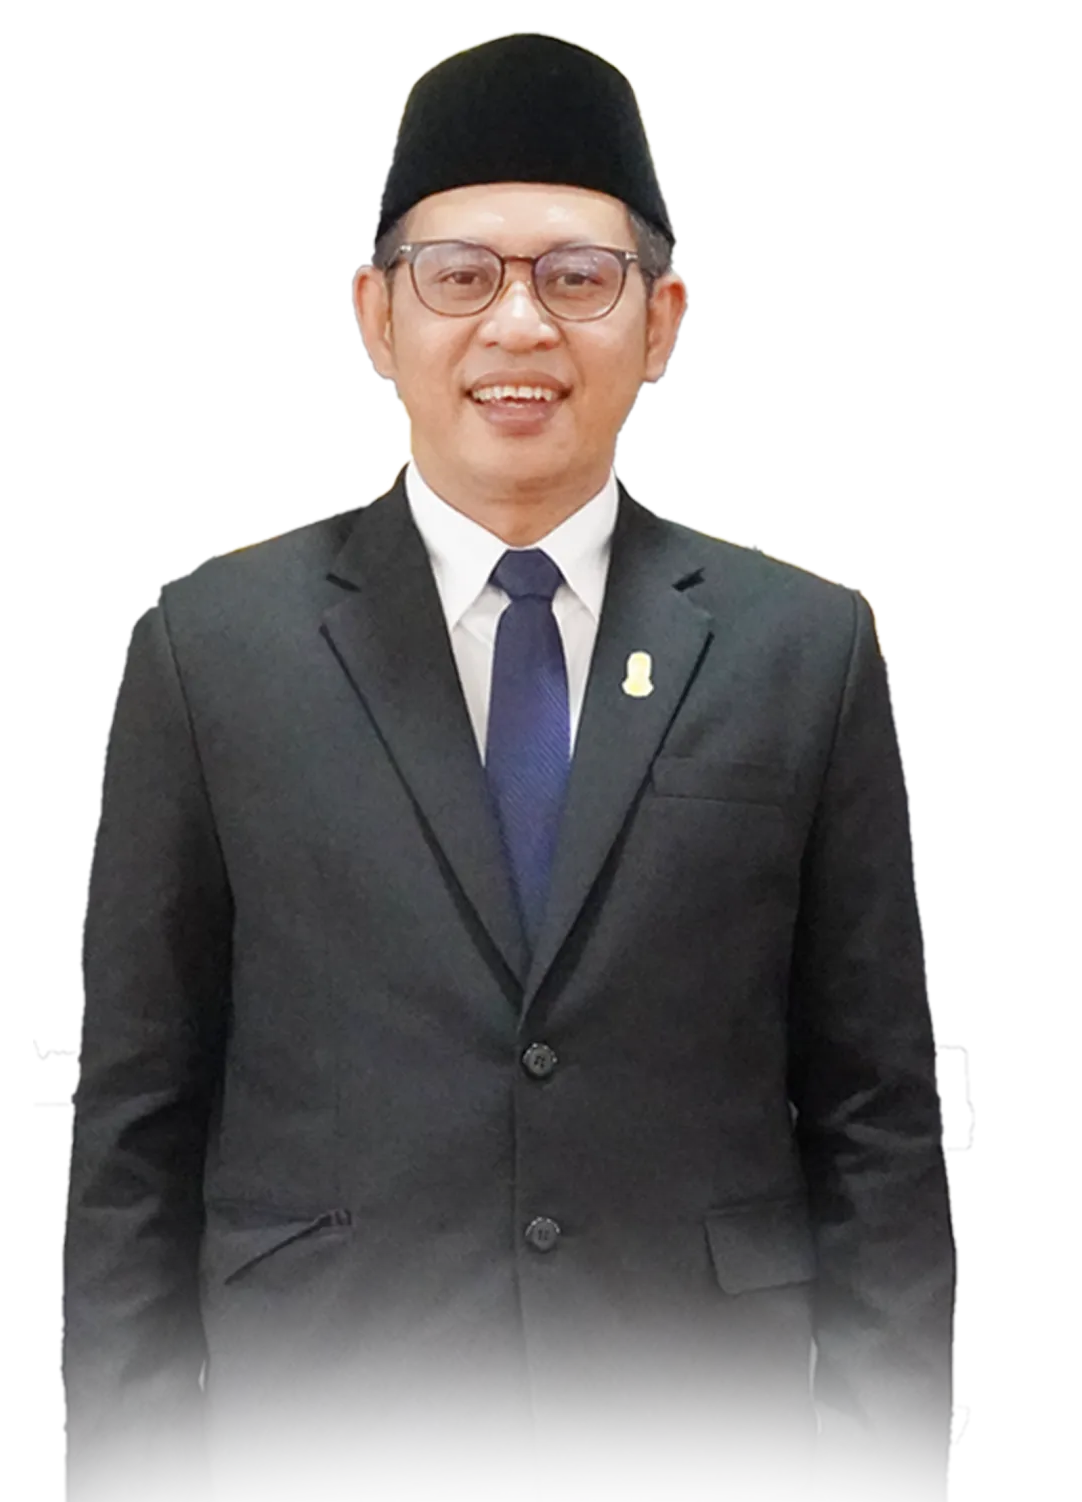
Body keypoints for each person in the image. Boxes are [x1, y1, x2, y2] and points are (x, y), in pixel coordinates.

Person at [61, 28, 956, 1502]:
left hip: (698, 1440)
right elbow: (133, 1141)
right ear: (376, 314)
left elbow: (878, 1123)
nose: (520, 327)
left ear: (660, 319)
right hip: (334, 1439)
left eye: (578, 278)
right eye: (461, 275)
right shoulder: (211, 654)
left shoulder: (801, 652)